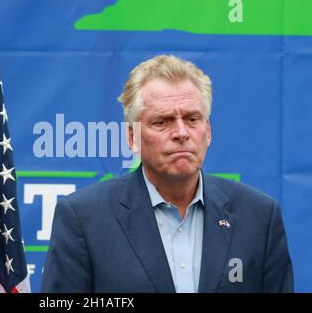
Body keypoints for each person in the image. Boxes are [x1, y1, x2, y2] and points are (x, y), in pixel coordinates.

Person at [41, 55, 294, 293]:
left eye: (192, 119)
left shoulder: (260, 216)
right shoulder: (83, 219)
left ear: (208, 132)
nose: (181, 133)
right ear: (132, 137)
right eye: (162, 122)